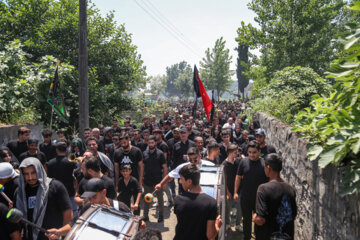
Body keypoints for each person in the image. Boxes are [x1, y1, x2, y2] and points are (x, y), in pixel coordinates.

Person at [45, 178, 145, 240]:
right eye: (89, 197)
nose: (91, 201)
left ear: (104, 192)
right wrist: (58, 232)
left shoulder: (120, 207)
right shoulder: (88, 207)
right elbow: (73, 225)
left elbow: (138, 226)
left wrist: (141, 225)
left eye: (94, 197)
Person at [16, 157, 73, 240]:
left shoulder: (55, 187)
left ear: (40, 170)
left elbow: (68, 213)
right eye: (26, 174)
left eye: (33, 173)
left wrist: (62, 233)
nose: (30, 177)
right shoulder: (20, 192)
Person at [253, 153, 297, 240]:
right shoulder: (290, 189)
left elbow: (260, 220)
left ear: (268, 167)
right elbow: (293, 215)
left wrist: (254, 217)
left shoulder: (263, 189)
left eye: (264, 166)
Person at [173, 164, 222, 240]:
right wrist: (217, 226)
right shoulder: (211, 203)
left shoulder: (178, 200)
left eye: (181, 179)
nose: (180, 182)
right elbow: (210, 235)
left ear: (189, 181)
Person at [234, 141, 268, 240]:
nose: (252, 155)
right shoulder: (243, 162)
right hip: (246, 196)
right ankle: (247, 237)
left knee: (259, 219)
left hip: (259, 199)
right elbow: (238, 177)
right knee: (246, 220)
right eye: (249, 152)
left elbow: (269, 180)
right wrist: (235, 192)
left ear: (259, 152)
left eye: (254, 152)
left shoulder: (264, 164)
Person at [46, 141, 78, 216]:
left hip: (55, 192)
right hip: (69, 191)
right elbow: (75, 177)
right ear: (66, 150)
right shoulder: (71, 162)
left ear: (56, 150)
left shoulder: (50, 163)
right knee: (73, 211)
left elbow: (49, 178)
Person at [142, 135, 167, 223]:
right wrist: (141, 179)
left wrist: (164, 182)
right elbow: (142, 167)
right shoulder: (144, 153)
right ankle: (145, 216)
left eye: (152, 142)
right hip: (147, 181)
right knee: (146, 199)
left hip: (158, 182)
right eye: (149, 143)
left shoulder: (160, 153)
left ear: (155, 143)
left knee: (160, 200)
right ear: (147, 143)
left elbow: (164, 167)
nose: (151, 144)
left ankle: (161, 216)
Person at [221, 144, 242, 231]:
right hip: (229, 190)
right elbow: (223, 180)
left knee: (240, 208)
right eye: (235, 152)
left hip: (238, 190)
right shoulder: (224, 165)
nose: (237, 154)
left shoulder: (238, 162)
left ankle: (238, 224)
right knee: (227, 208)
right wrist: (227, 192)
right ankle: (227, 223)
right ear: (229, 153)